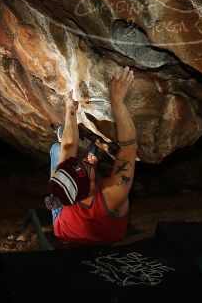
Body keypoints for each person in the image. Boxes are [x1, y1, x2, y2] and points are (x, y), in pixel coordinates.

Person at [45, 66, 137, 244]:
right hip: (96, 237)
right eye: (89, 169)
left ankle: (86, 157)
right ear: (93, 187)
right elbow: (129, 149)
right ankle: (93, 158)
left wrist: (70, 109)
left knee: (60, 149)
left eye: (81, 163)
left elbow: (69, 145)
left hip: (66, 228)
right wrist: (117, 101)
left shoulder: (62, 179)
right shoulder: (113, 195)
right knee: (58, 150)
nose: (82, 162)